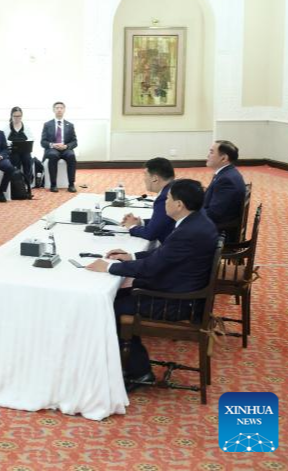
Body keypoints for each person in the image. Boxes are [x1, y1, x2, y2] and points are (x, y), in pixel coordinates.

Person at [86, 179, 219, 387]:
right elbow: (165, 253)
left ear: (179, 205)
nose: (164, 202)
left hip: (177, 301)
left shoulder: (188, 232)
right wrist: (130, 256)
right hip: (181, 286)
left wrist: (110, 267)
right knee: (119, 294)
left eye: (167, 199)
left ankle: (139, 372)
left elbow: (152, 268)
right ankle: (119, 362)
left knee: (111, 307)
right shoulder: (197, 220)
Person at [122, 158, 176, 243]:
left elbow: (150, 233)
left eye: (145, 175)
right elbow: (162, 221)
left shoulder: (165, 198)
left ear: (155, 178)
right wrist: (141, 222)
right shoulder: (174, 187)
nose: (144, 179)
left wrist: (132, 227)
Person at [203, 140, 246, 242]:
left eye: (212, 152)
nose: (208, 155)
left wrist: (190, 214)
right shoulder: (227, 173)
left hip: (221, 232)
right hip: (221, 225)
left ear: (224, 158)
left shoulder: (226, 180)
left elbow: (214, 213)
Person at [40, 101, 78, 193]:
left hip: (65, 149)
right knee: (53, 155)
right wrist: (53, 145)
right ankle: (53, 185)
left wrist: (66, 146)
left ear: (64, 110)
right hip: (53, 149)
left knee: (71, 156)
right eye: (57, 108)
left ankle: (71, 184)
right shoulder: (47, 124)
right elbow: (43, 142)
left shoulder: (70, 125)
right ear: (53, 110)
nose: (59, 110)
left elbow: (75, 142)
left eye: (61, 108)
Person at [7, 106, 33, 185]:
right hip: (12, 151)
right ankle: (16, 183)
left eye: (19, 116)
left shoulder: (26, 127)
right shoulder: (7, 127)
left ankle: (27, 183)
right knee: (15, 160)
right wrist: (10, 143)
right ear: (11, 116)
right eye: (15, 116)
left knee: (28, 160)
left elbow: (31, 138)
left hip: (24, 150)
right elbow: (3, 140)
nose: (17, 118)